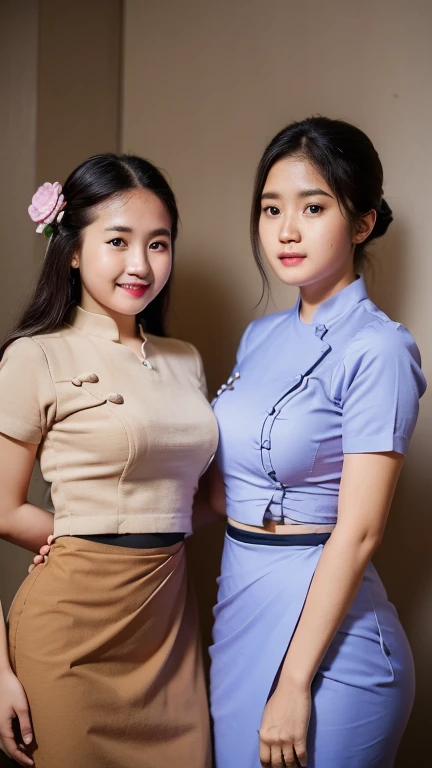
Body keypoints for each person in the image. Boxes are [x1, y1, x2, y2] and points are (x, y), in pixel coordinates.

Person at [209, 117, 426, 768]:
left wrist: (295, 682)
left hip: (334, 651)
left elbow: (359, 531)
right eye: (271, 208)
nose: (286, 228)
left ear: (361, 223)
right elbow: (227, 489)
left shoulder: (379, 349)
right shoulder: (259, 338)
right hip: (239, 611)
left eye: (313, 206)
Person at [0, 154, 218, 768]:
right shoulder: (34, 357)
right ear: (71, 249)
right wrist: (76, 542)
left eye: (159, 243)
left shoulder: (186, 357)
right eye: (117, 241)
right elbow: (1, 510)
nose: (140, 265)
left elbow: (188, 502)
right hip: (72, 632)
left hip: (169, 624)